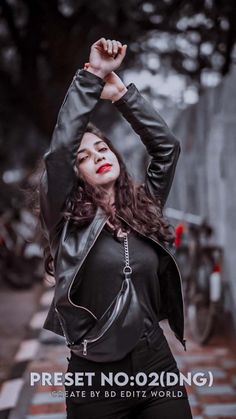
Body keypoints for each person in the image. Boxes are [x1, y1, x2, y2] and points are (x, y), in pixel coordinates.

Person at [39, 38, 193, 418]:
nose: (98, 156)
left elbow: (166, 149)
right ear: (75, 176)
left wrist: (122, 95)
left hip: (156, 368)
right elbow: (59, 154)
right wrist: (91, 76)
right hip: (96, 381)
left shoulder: (143, 207)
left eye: (102, 149)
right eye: (85, 158)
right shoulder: (64, 222)